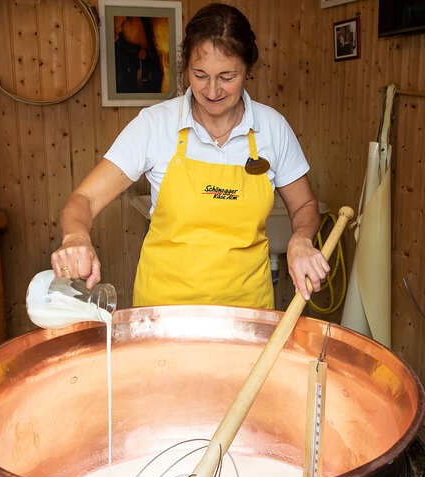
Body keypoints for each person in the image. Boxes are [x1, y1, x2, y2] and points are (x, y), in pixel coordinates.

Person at [51, 3, 329, 308]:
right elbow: (84, 200)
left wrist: (301, 238)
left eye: (226, 77)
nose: (212, 91)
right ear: (186, 68)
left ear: (247, 69)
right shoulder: (155, 125)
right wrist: (76, 236)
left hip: (249, 313)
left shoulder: (272, 128)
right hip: (164, 313)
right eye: (200, 75)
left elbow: (304, 204)